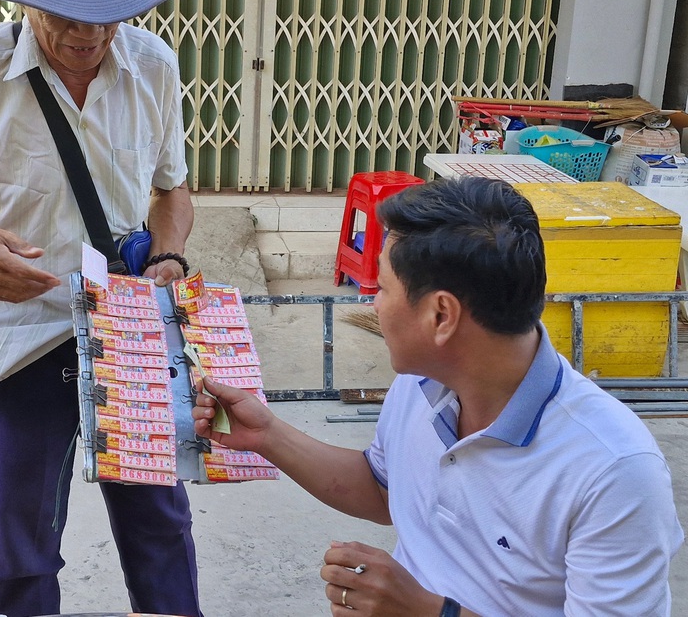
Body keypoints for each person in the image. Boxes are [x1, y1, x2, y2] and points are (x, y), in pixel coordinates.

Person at [192, 177, 683, 616]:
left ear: (441, 316)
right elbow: (385, 491)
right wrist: (268, 435)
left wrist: (428, 613)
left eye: (381, 288)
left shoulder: (614, 470)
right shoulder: (422, 381)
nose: (370, 304)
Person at [0, 0, 200, 615]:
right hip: (18, 340)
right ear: (28, 5)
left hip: (127, 331)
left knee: (160, 530)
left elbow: (172, 190)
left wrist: (168, 256)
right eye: (65, 15)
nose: (89, 34)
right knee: (22, 549)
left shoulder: (154, 65)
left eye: (106, 17)